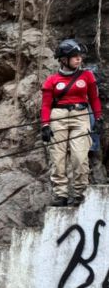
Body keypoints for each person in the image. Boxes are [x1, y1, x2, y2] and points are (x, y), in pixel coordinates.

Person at [41, 38, 103, 207]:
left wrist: (98, 118)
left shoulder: (87, 76)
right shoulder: (52, 80)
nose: (79, 59)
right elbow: (46, 105)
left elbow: (94, 99)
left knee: (79, 156)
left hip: (81, 115)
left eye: (79, 56)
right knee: (58, 157)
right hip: (58, 116)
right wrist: (45, 125)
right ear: (63, 59)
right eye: (74, 56)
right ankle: (60, 195)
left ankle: (79, 193)